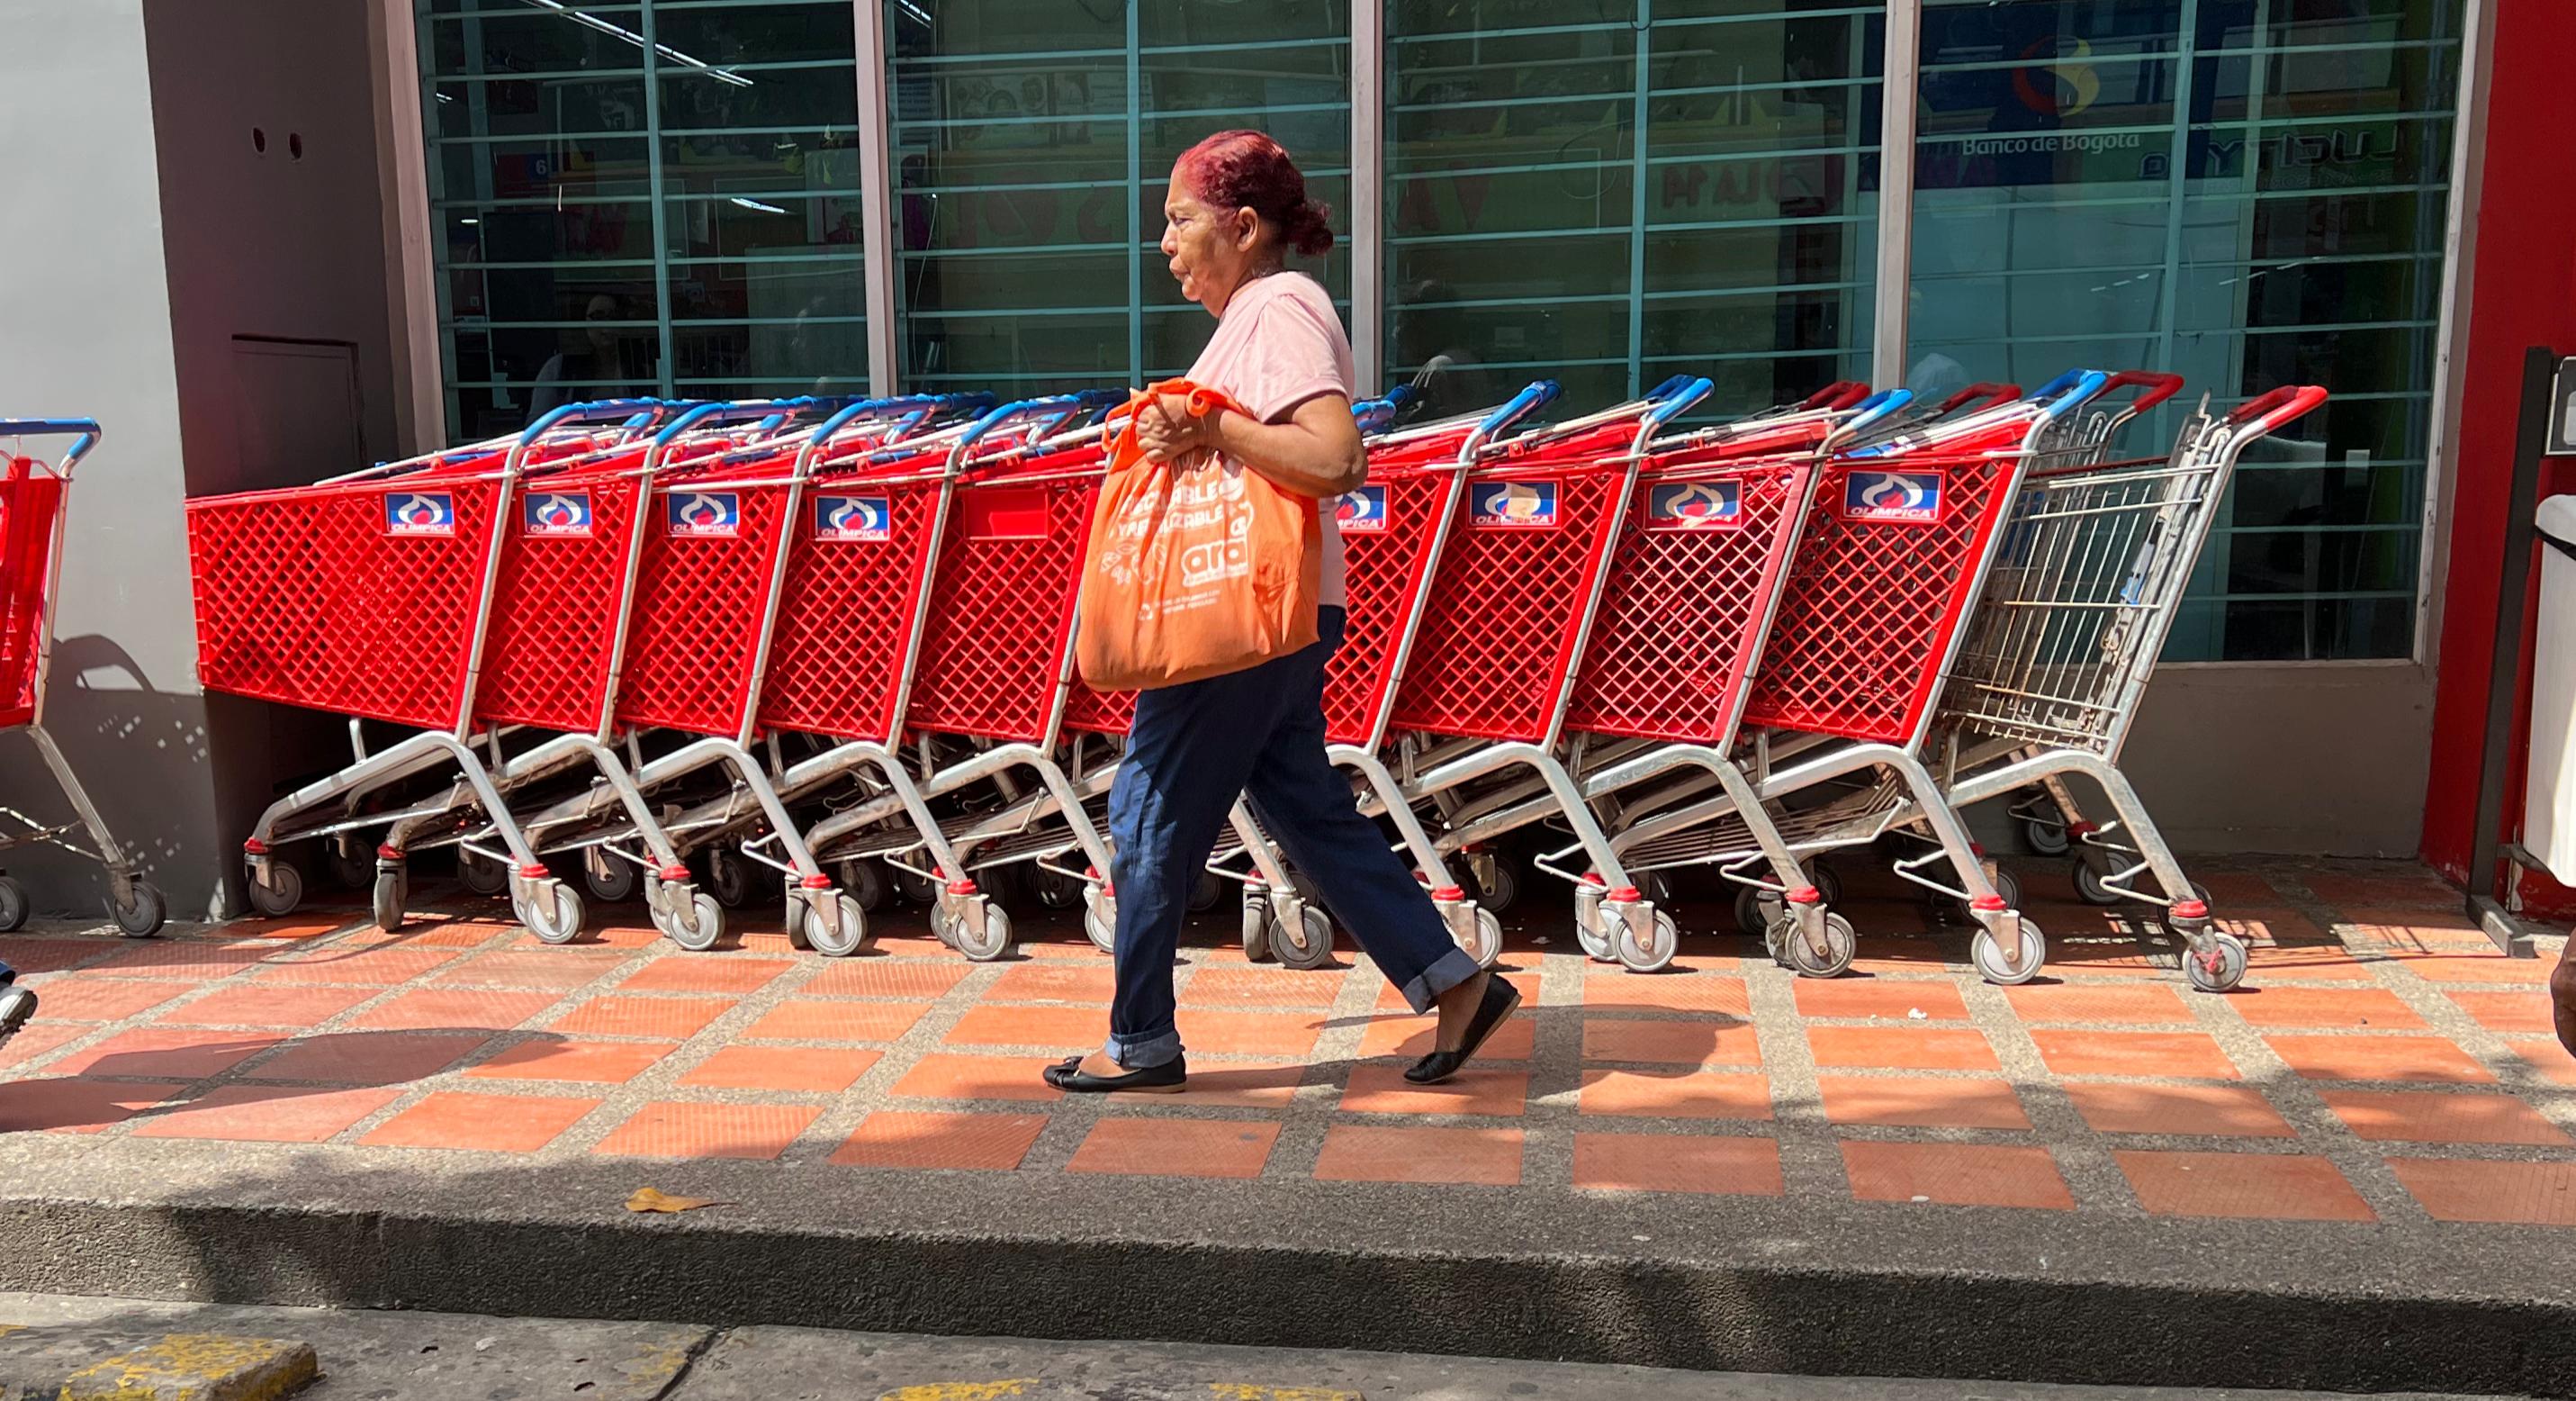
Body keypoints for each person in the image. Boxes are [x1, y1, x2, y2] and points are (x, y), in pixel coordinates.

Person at [1041, 130, 1517, 1094]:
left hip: (1243, 611)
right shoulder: (1255, 316)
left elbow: (1339, 457)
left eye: (1180, 221)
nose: (1165, 245)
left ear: (1244, 226)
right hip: (1276, 607)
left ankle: (1143, 1039)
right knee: (1304, 808)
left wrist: (1209, 423)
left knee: (1150, 811)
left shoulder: (1281, 305)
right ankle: (1454, 982)